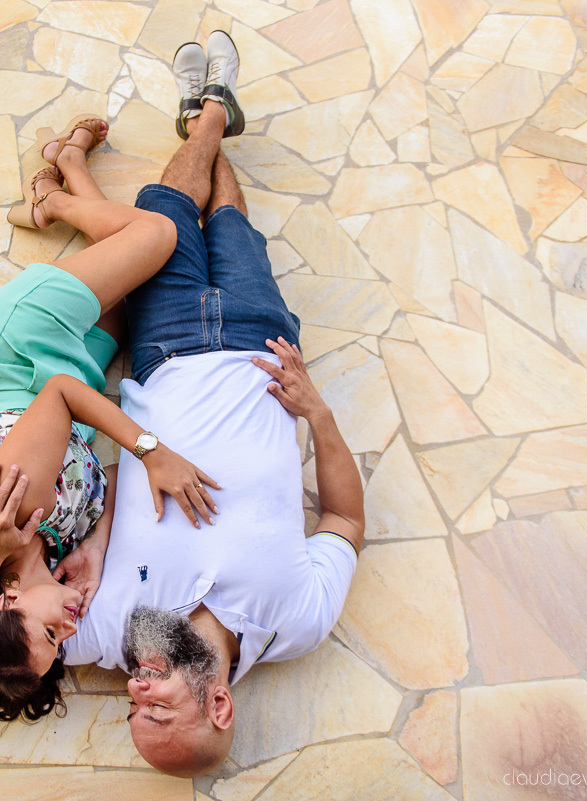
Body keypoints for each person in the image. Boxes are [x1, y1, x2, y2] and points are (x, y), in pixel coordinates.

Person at [56, 31, 367, 777]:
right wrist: (317, 412)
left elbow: (15, 624)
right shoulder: (298, 620)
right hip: (264, 348)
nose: (136, 689)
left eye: (134, 705)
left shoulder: (111, 632)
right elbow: (345, 520)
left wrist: (86, 539)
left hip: (163, 349)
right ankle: (213, 112)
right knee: (230, 223)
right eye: (157, 703)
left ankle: (206, 114)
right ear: (219, 702)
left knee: (163, 206)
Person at [0, 114, 221, 723]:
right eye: (61, 646)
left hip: (23, 347)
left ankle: (54, 199)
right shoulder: (54, 551)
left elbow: (62, 394)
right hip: (77, 372)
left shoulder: (7, 509)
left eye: (46, 635)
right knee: (137, 290)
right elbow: (109, 484)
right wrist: (93, 545)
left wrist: (153, 451)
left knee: (158, 237)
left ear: (9, 603)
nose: (68, 630)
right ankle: (68, 169)